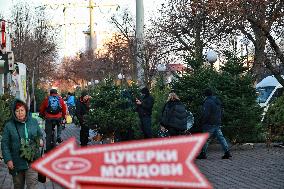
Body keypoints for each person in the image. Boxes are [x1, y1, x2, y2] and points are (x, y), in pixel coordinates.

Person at [1, 99, 43, 189]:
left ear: (26, 110)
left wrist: (40, 140)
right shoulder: (9, 126)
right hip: (16, 162)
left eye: (22, 110)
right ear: (14, 112)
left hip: (33, 159)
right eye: (17, 111)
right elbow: (4, 144)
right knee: (18, 186)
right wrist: (8, 160)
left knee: (32, 185)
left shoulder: (33, 122)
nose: (20, 113)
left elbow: (40, 134)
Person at [197, 88, 232, 159]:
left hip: (209, 123)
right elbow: (221, 111)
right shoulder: (217, 100)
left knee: (206, 139)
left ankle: (203, 154)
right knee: (221, 138)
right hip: (217, 122)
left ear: (205, 95)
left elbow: (206, 113)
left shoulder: (207, 102)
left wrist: (202, 121)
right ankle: (227, 152)